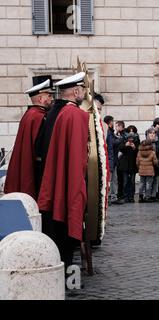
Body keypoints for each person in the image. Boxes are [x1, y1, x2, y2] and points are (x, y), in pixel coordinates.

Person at [37, 72, 89, 268]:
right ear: (76, 91)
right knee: (66, 227)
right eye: (82, 90)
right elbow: (77, 158)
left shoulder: (63, 113)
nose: (84, 94)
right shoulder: (75, 115)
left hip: (59, 179)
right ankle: (66, 269)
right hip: (69, 181)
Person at [5, 75, 54, 200]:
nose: (52, 98)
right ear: (40, 98)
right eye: (49, 95)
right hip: (35, 171)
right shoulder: (39, 117)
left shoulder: (30, 114)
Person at [117, 125, 140, 203]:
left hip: (133, 163)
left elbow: (139, 151)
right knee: (125, 181)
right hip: (125, 164)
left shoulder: (137, 140)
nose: (131, 132)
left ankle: (131, 197)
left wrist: (134, 148)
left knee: (132, 182)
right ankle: (126, 196)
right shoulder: (123, 139)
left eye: (132, 131)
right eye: (129, 131)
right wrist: (125, 145)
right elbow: (120, 148)